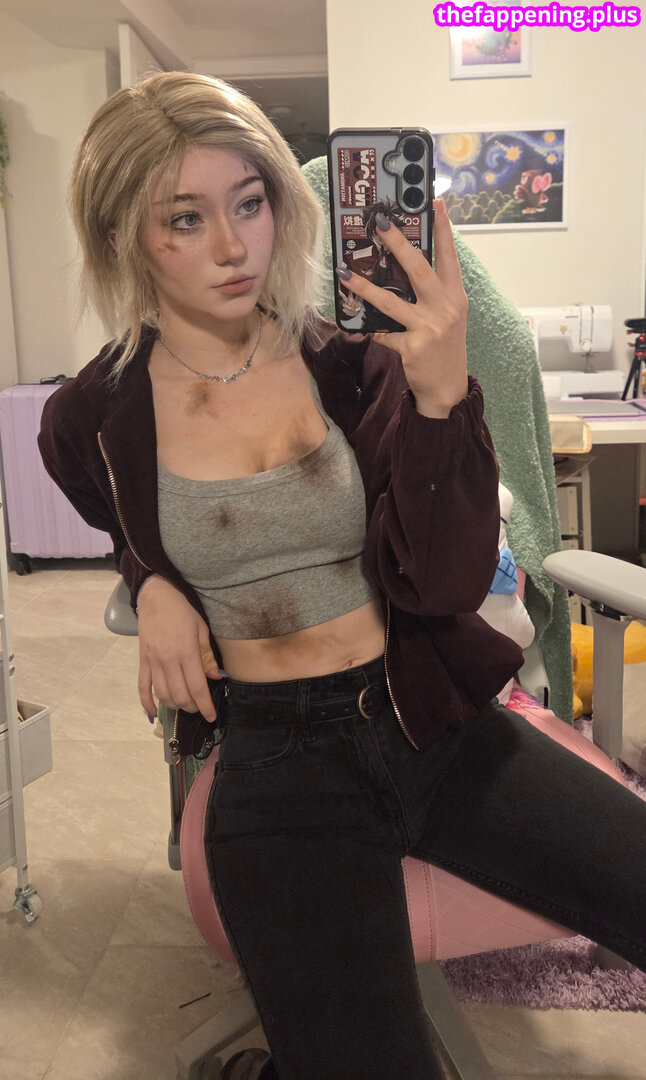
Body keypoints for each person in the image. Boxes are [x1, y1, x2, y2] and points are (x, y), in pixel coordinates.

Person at [38, 72, 646, 1080]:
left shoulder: (355, 369)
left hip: (432, 720)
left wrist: (443, 398)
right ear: (121, 237)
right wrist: (151, 581)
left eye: (250, 203)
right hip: (276, 765)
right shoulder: (92, 414)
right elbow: (117, 505)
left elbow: (446, 583)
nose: (232, 246)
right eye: (184, 218)